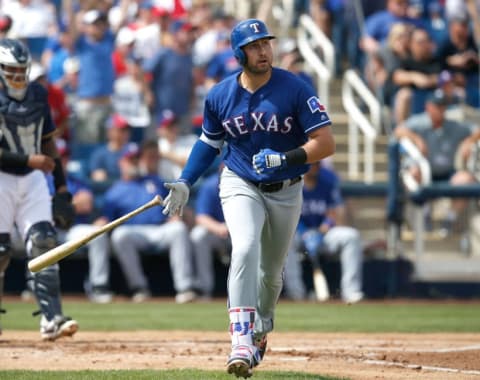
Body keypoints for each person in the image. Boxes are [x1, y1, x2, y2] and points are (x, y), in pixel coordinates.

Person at [161, 19, 335, 378]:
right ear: (239, 53)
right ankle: (240, 338)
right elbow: (209, 143)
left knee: (270, 274)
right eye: (254, 46)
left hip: (286, 189)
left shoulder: (295, 88)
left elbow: (326, 143)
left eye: (266, 44)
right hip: (239, 181)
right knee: (243, 248)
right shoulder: (220, 95)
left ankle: (262, 325)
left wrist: (287, 158)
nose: (263, 51)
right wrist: (185, 181)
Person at [0, 39, 78, 340]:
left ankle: (52, 318)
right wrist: (28, 158)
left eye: (21, 71)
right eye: (11, 70)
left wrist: (61, 188)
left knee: (44, 243)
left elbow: (49, 142)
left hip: (32, 178)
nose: (17, 77)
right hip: (3, 178)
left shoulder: (37, 94)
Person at [100, 141, 197, 303]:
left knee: (178, 229)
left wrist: (175, 215)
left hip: (160, 229)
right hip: (134, 233)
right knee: (119, 235)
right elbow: (107, 219)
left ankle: (184, 288)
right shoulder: (114, 191)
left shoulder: (154, 181)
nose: (134, 163)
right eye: (130, 159)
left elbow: (174, 203)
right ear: (121, 162)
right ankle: (139, 287)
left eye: (136, 159)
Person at [394, 89, 480, 231]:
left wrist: (469, 141)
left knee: (466, 179)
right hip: (424, 172)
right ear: (428, 106)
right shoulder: (419, 122)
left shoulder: (454, 126)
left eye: (443, 106)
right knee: (413, 173)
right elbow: (398, 131)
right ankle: (423, 214)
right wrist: (417, 139)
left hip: (447, 173)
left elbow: (477, 130)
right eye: (437, 105)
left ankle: (449, 221)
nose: (441, 109)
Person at [283, 161, 364, 303]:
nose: (315, 167)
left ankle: (351, 291)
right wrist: (303, 231)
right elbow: (287, 214)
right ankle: (296, 293)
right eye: (312, 164)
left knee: (351, 236)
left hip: (322, 235)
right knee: (286, 240)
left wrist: (323, 229)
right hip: (297, 234)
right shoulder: (293, 184)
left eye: (317, 164)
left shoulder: (327, 182)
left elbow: (334, 212)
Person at [190, 166, 230, 299]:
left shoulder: (250, 183)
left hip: (243, 232)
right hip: (218, 233)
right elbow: (201, 217)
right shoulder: (210, 185)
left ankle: (260, 292)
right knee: (199, 235)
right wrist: (218, 227)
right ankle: (204, 289)